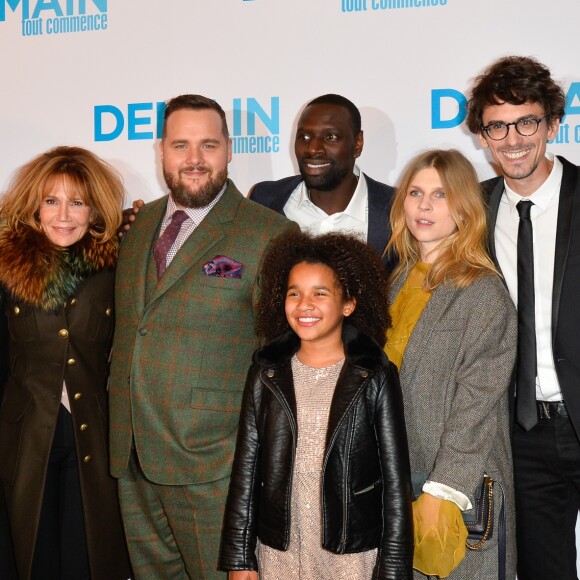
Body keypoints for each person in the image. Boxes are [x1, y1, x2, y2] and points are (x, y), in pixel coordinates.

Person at [107, 94, 296, 579]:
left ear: (230, 150)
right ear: (161, 151)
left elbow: (285, 359)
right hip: (131, 454)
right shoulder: (138, 225)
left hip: (215, 463)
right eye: (180, 145)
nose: (194, 159)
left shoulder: (270, 233)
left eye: (208, 145)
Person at [219, 230, 413, 579]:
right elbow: (246, 472)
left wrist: (394, 570)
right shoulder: (266, 373)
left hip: (350, 554)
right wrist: (240, 558)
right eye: (294, 293)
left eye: (319, 294)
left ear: (349, 303)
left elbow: (395, 484)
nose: (304, 305)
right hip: (279, 550)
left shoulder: (375, 374)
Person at [466, 55, 580, 580]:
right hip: (522, 432)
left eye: (526, 122)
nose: (512, 139)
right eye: (497, 126)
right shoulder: (472, 214)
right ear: (483, 135)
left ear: (552, 124)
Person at [0, 146, 132, 579]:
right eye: (51, 201)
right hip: (21, 440)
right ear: (34, 207)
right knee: (31, 557)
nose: (64, 215)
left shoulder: (119, 266)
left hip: (92, 439)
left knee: (87, 558)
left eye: (77, 202)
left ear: (95, 210)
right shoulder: (6, 268)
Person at [385, 149, 517, 579]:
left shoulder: (483, 292)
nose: (423, 206)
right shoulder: (397, 281)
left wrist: (443, 490)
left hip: (457, 489)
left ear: (464, 209)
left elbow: (477, 406)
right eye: (416, 192)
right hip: (398, 480)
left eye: (440, 195)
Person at [249, 94, 394, 256]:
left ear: (358, 143)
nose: (313, 148)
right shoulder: (264, 201)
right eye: (304, 137)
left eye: (330, 137)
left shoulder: (396, 208)